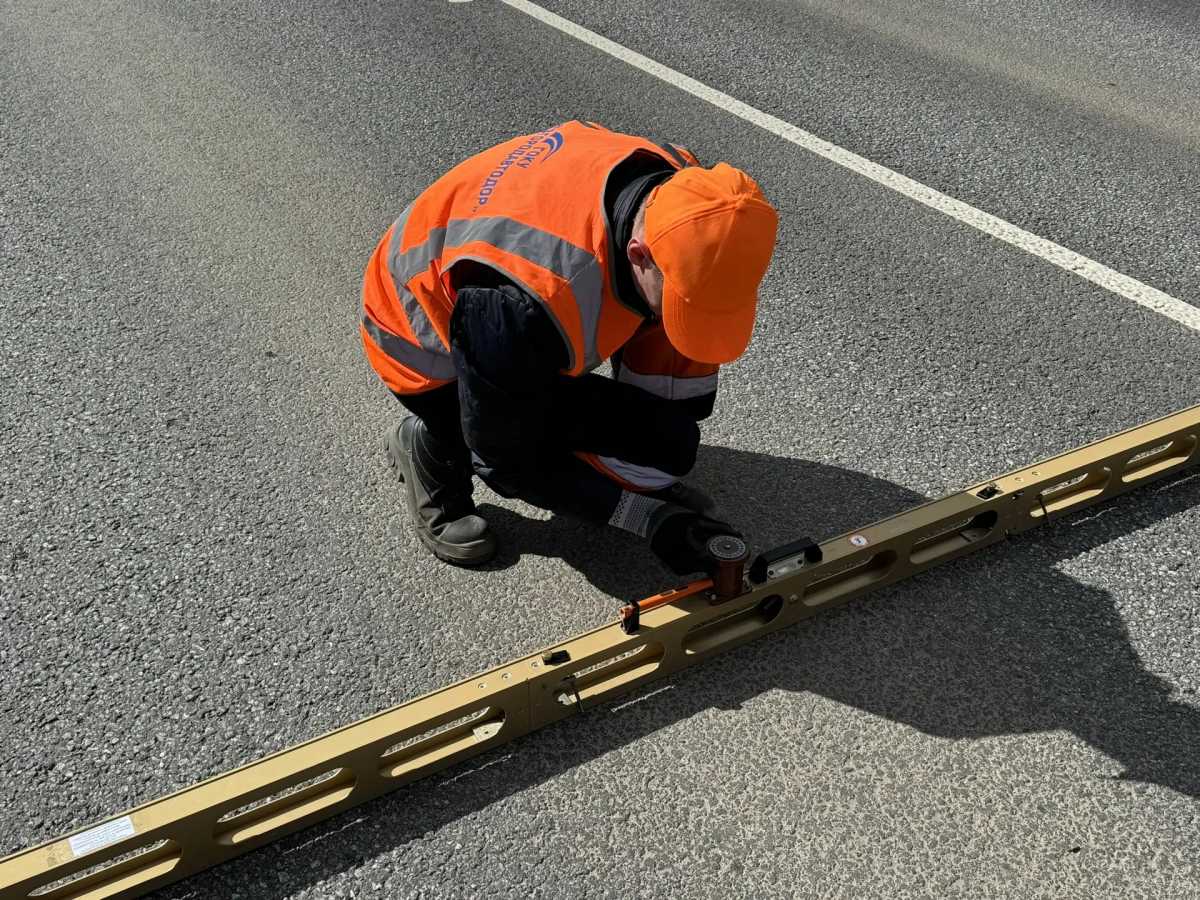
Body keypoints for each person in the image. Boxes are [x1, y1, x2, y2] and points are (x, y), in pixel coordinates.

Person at [360, 120, 778, 577]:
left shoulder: (698, 197)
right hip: (419, 337)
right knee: (501, 433)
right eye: (682, 303)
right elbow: (505, 460)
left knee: (671, 445)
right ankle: (430, 447)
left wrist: (647, 468)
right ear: (638, 254)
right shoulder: (521, 304)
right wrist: (644, 518)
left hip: (519, 318)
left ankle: (595, 457)